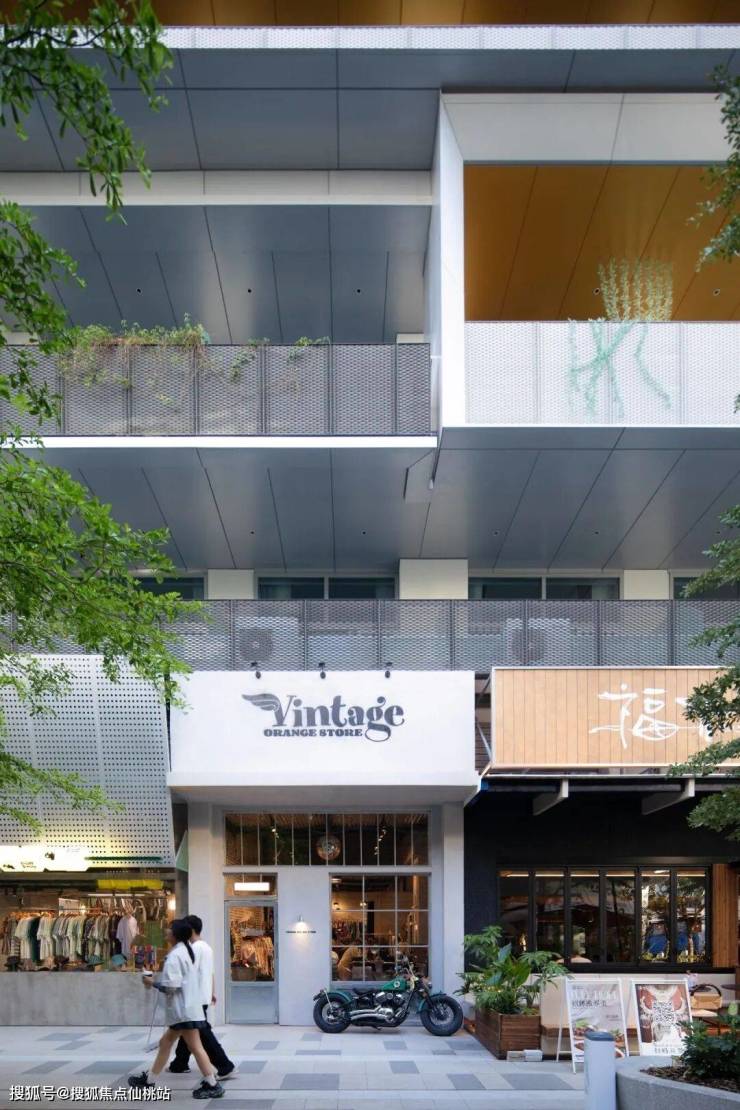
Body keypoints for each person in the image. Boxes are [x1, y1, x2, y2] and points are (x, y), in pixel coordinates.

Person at [128, 919, 224, 1101]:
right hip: (187, 1009)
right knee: (167, 1043)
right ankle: (149, 1081)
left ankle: (212, 1084)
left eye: (169, 929)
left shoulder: (175, 956)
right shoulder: (185, 952)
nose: (166, 931)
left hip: (183, 1012)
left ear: (175, 934)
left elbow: (172, 986)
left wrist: (152, 983)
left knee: (195, 1047)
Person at [169, 914, 237, 1081]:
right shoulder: (206, 947)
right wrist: (212, 992)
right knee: (188, 1030)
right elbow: (210, 972)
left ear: (191, 929)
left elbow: (188, 973)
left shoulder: (195, 948)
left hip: (195, 998)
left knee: (202, 1033)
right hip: (202, 995)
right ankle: (179, 1063)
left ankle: (225, 1066)